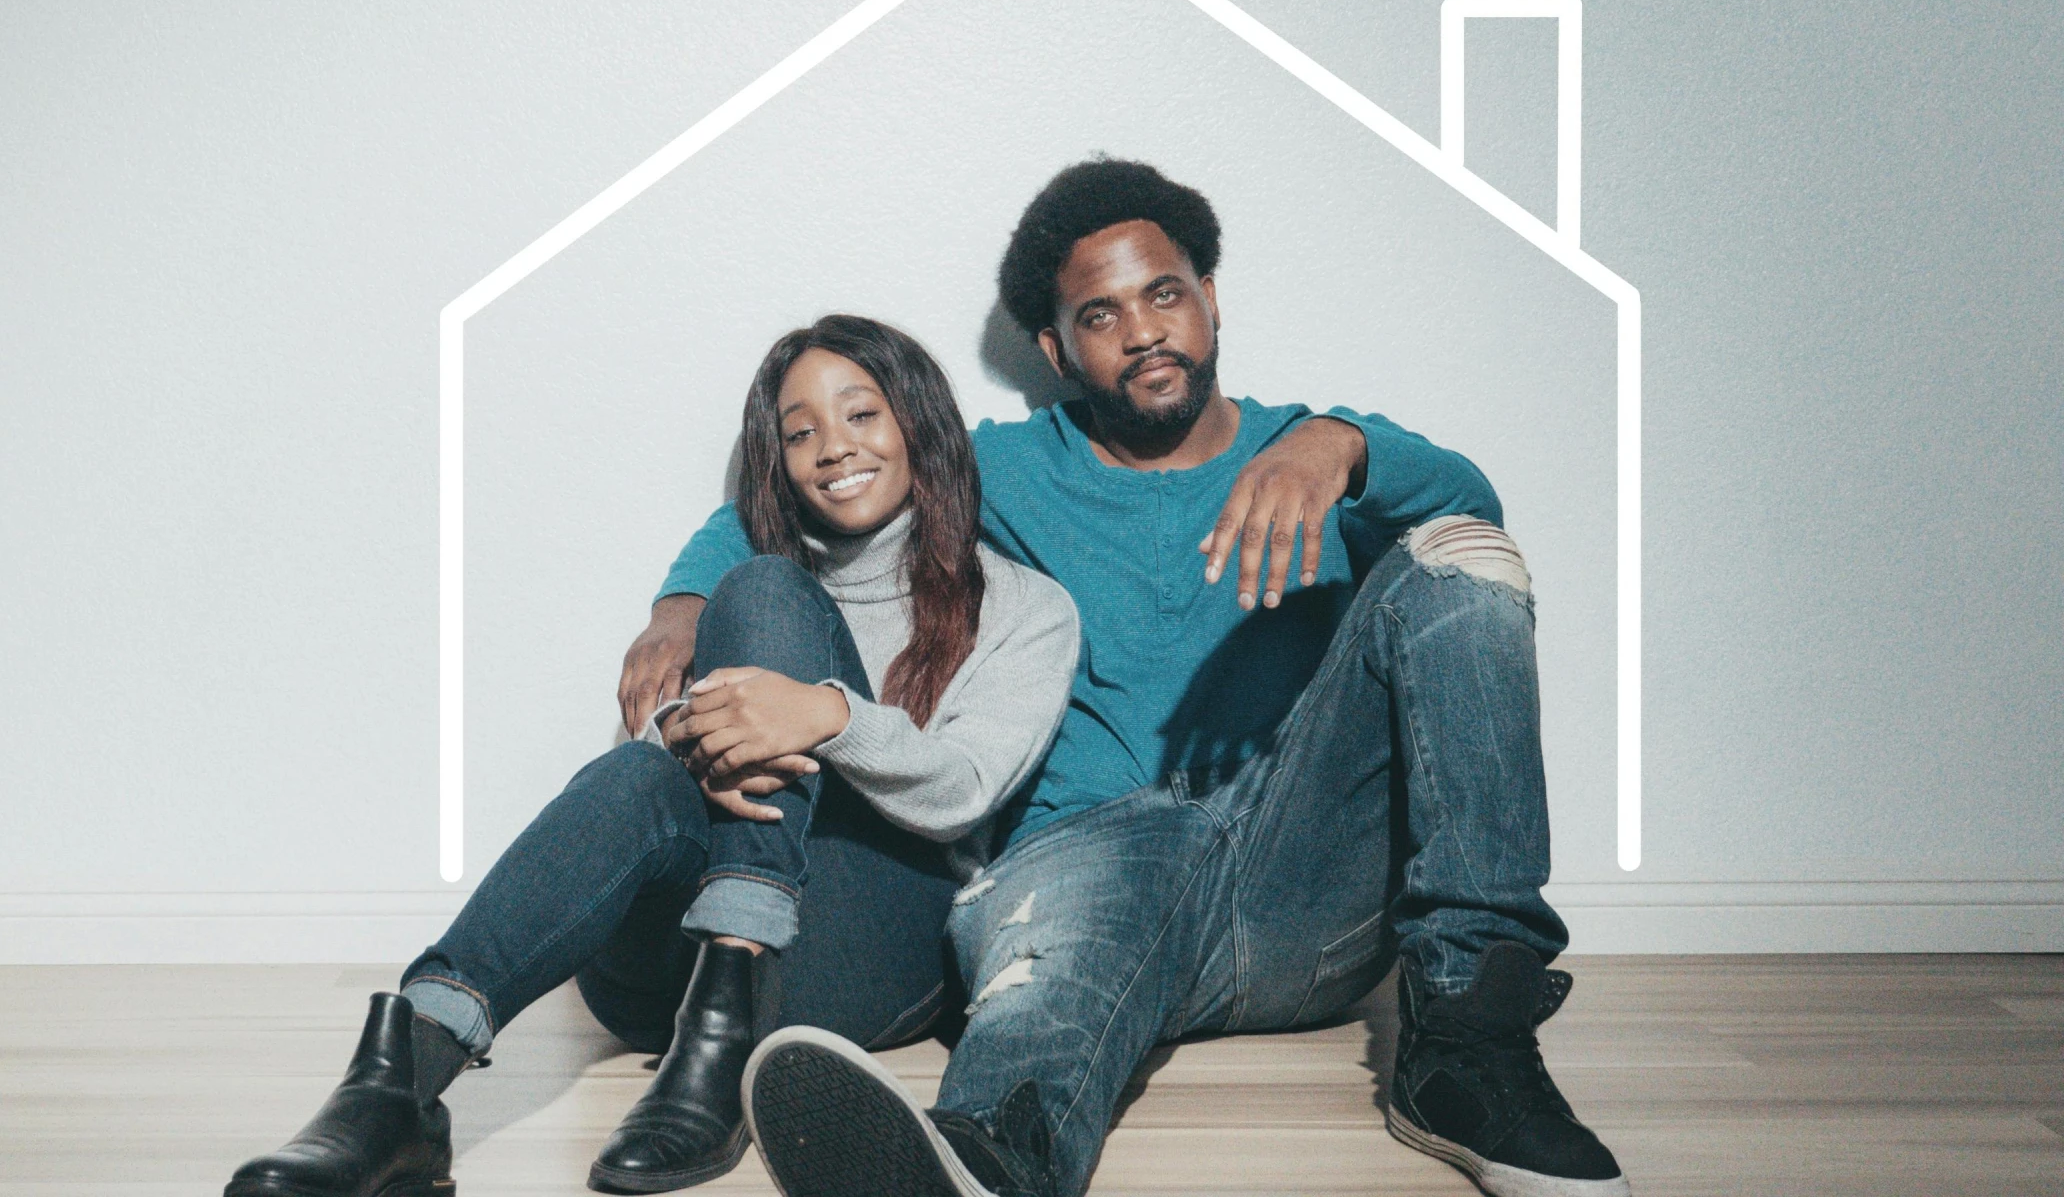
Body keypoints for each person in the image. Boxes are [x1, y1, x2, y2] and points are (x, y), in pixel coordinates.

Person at [631, 160, 1633, 1197]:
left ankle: (1471, 1038)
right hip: (1084, 882)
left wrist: (1342, 446)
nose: (1145, 330)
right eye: (1101, 315)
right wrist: (684, 605)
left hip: (1302, 897)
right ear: (1061, 351)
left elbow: (1476, 508)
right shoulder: (1007, 468)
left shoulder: (1313, 457)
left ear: (1209, 301)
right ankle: (986, 1160)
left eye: (1164, 295)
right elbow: (796, 498)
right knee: (1116, 882)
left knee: (1460, 553)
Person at [225, 315, 1080, 1197]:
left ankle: (726, 1023)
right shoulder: (753, 589)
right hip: (660, 985)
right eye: (800, 433)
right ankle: (399, 1080)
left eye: (861, 415)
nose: (832, 448)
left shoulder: (1024, 606)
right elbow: (651, 793)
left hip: (869, 952)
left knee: (765, 592)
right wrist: (681, 737)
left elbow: (964, 792)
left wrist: (823, 715)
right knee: (646, 759)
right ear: (775, 461)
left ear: (918, 425)